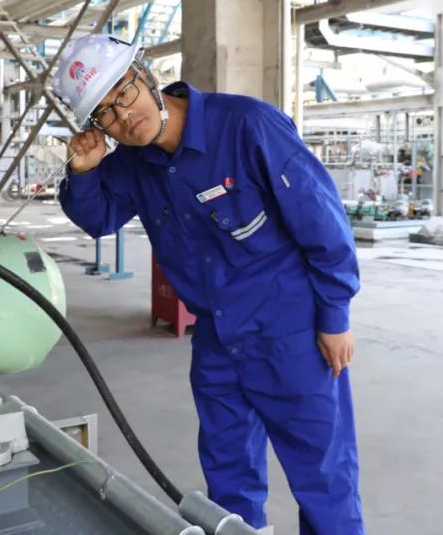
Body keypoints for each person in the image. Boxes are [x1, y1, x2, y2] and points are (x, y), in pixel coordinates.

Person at [51, 34, 364, 535]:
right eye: (104, 113)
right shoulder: (133, 162)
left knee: (323, 480)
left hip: (292, 334)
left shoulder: (247, 126)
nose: (123, 116)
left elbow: (323, 224)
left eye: (123, 92)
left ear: (147, 75)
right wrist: (83, 173)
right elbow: (99, 218)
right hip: (217, 341)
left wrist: (335, 317)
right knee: (229, 485)